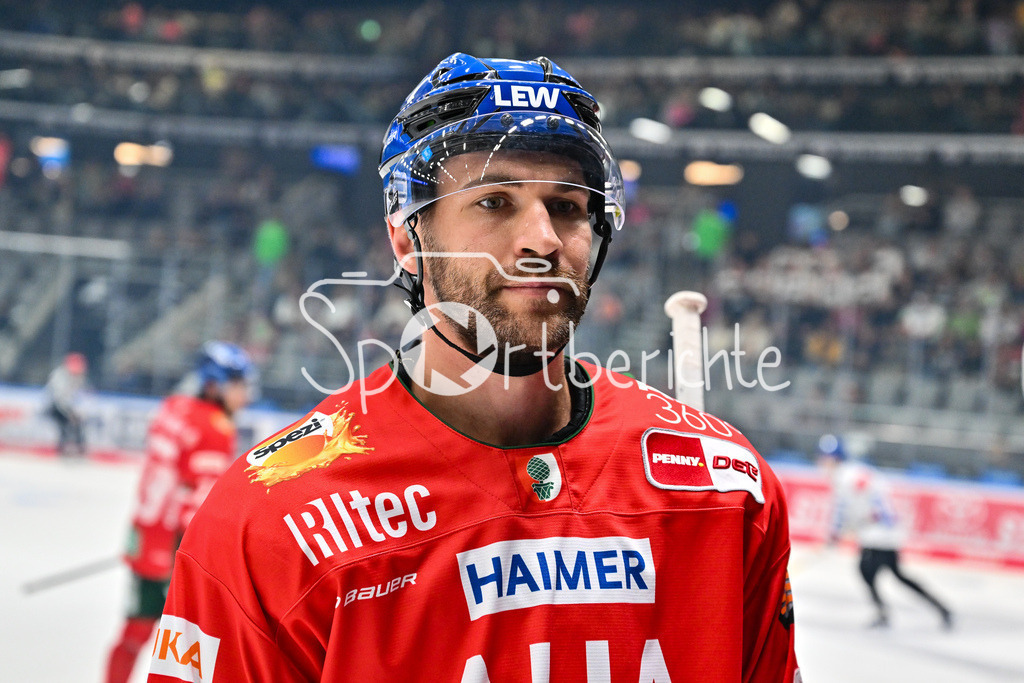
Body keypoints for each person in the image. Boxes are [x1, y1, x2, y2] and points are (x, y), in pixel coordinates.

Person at [149, 54, 799, 682]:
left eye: (567, 206)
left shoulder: (726, 490)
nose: (543, 239)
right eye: (494, 202)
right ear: (407, 237)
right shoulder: (270, 520)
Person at [105, 341, 255, 683]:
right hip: (176, 550)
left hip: (143, 537)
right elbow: (198, 507)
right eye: (240, 386)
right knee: (193, 642)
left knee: (134, 633)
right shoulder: (215, 428)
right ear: (215, 385)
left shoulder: (173, 407)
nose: (245, 396)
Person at [818, 434, 953, 629]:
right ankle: (940, 608)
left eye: (826, 459)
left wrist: (834, 535)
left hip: (876, 535)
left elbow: (842, 509)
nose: (823, 464)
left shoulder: (843, 477)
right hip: (887, 532)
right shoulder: (858, 471)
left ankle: (884, 613)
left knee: (868, 571)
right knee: (895, 575)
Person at [44, 352, 88, 457]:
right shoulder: (59, 376)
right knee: (63, 426)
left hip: (67, 406)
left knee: (79, 425)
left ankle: (80, 450)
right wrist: (70, 414)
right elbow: (59, 399)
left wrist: (76, 412)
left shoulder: (77, 377)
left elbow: (79, 396)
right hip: (54, 406)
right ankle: (62, 450)